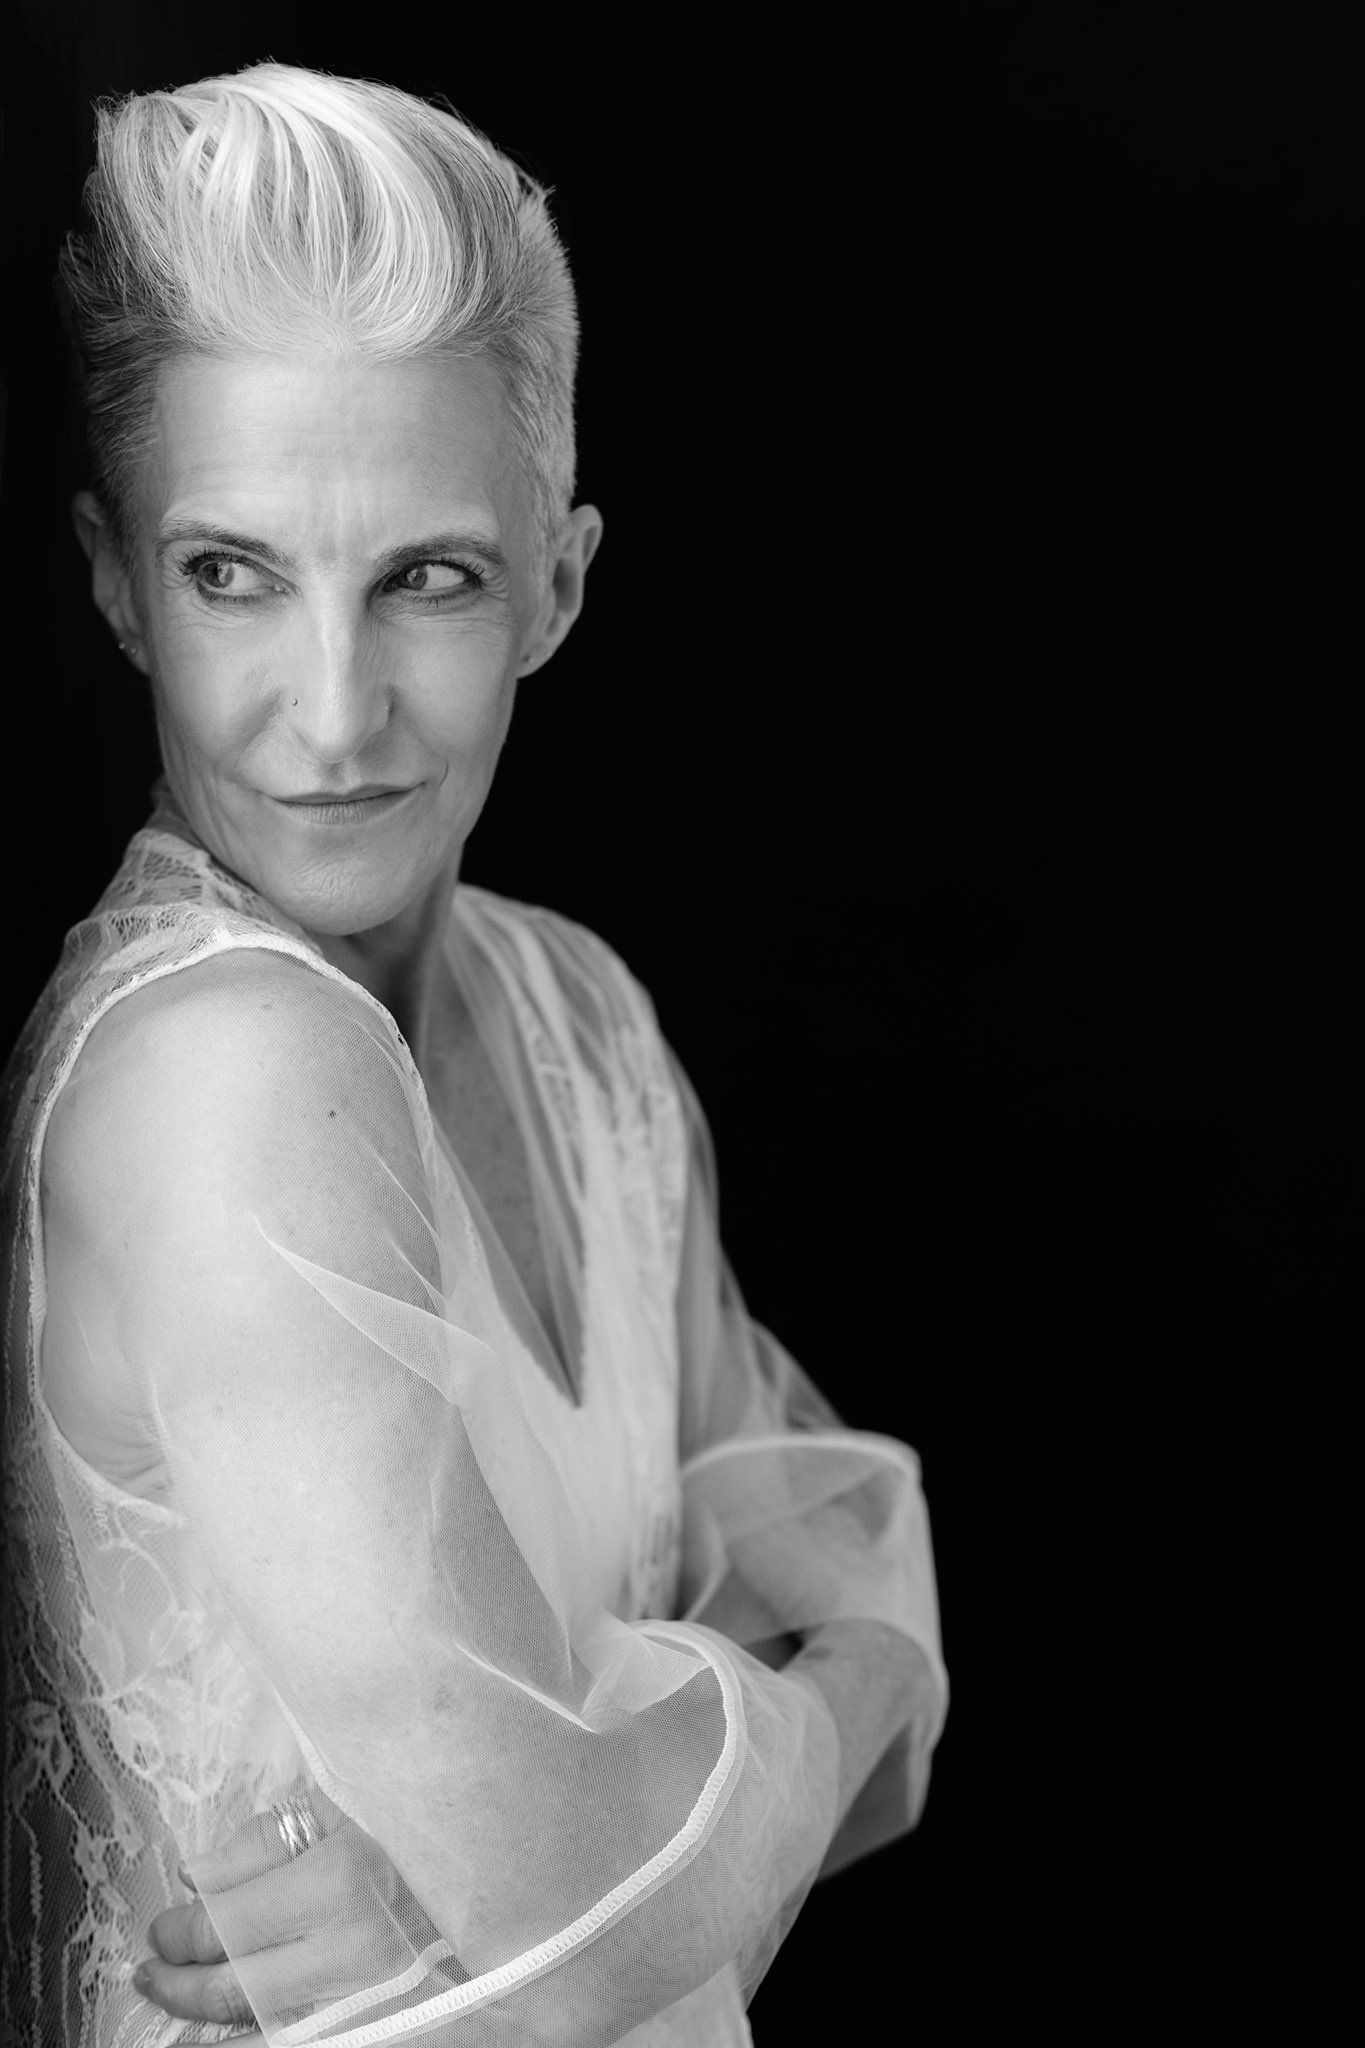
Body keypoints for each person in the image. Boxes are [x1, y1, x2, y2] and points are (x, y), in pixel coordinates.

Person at [0, 61, 948, 2047]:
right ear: (113, 582)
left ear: (556, 586)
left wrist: (619, 1822)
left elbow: (810, 1573)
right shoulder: (223, 1072)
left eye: (423, 576)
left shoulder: (576, 1018)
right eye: (230, 571)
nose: (328, 719)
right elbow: (602, 1871)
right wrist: (806, 1714)